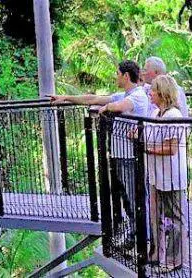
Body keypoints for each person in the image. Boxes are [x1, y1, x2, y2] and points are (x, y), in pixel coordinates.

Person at [50, 60, 149, 244]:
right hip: (120, 155)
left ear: (126, 76)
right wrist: (65, 98)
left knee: (135, 199)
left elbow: (120, 106)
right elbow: (93, 99)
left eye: (117, 73)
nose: (115, 76)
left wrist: (106, 108)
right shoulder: (123, 94)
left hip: (130, 156)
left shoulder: (138, 95)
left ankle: (145, 237)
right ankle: (136, 234)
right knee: (126, 198)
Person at [144, 75, 189, 273]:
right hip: (156, 175)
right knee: (157, 216)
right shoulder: (156, 114)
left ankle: (173, 259)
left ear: (162, 93)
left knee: (175, 218)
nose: (150, 93)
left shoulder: (174, 116)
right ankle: (155, 254)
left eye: (153, 90)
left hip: (171, 176)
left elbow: (170, 148)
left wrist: (146, 147)